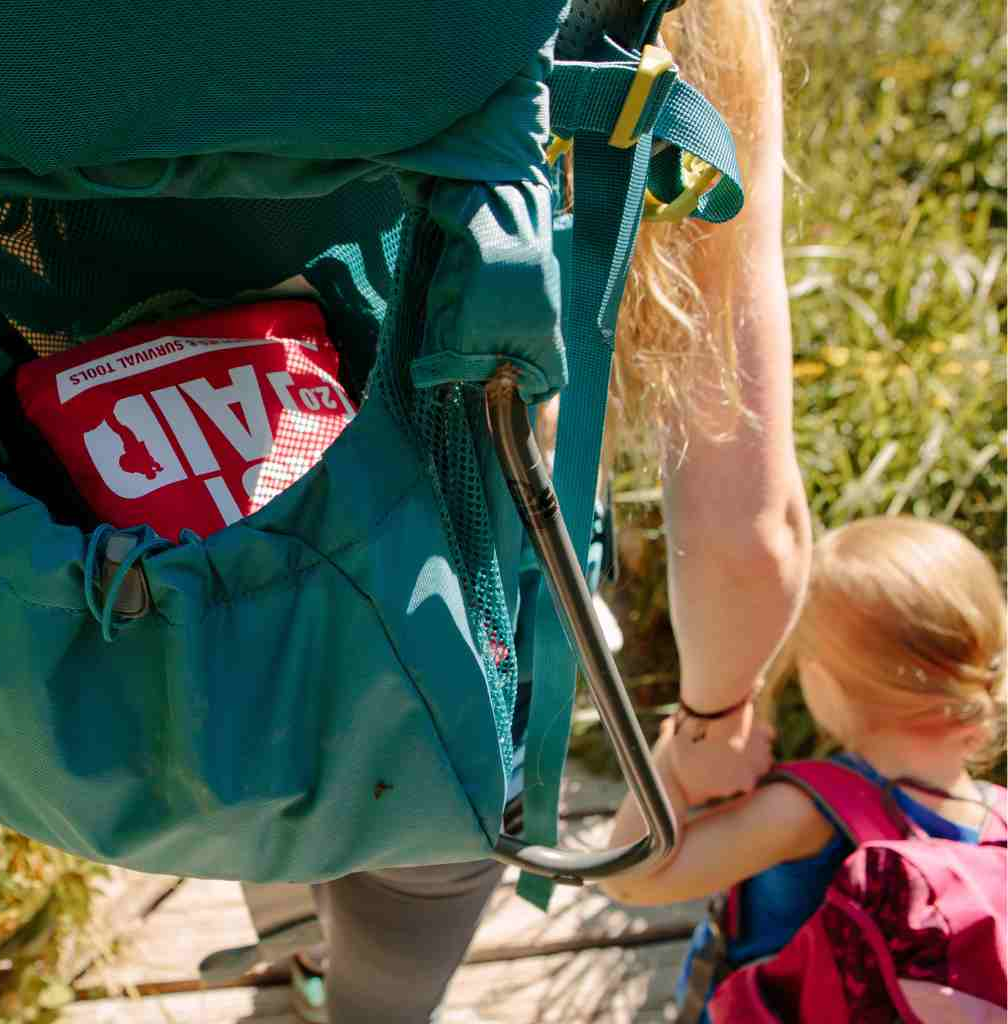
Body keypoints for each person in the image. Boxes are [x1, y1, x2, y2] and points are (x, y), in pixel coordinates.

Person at [282, 0, 813, 1019]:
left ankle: (270, 880)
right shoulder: (670, 17)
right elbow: (746, 533)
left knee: (224, 752)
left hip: (120, 566)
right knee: (392, 949)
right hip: (448, 647)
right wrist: (706, 726)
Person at [603, 516, 1007, 1019]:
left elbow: (627, 878)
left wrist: (679, 750)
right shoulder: (997, 822)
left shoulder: (811, 811)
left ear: (826, 684)